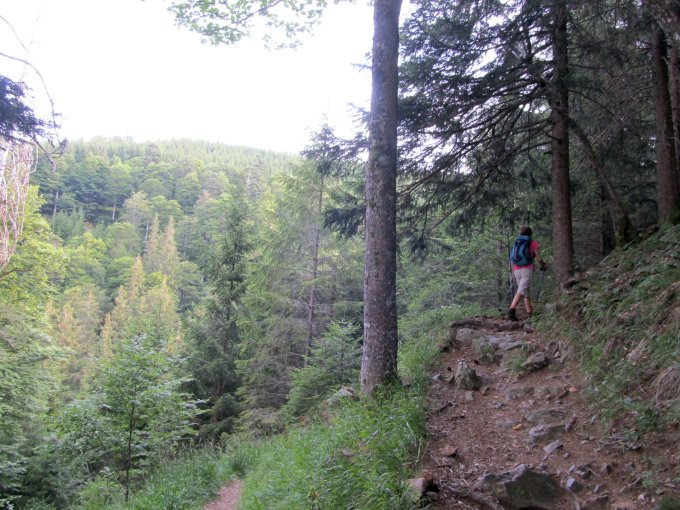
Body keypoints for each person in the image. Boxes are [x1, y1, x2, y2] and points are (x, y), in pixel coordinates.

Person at [506, 225, 547, 321]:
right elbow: (538, 258)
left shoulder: (516, 242)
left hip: (516, 269)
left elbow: (512, 258)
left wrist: (513, 272)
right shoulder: (533, 243)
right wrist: (543, 265)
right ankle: (511, 311)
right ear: (530, 233)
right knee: (521, 290)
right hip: (527, 269)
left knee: (525, 291)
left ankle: (530, 313)